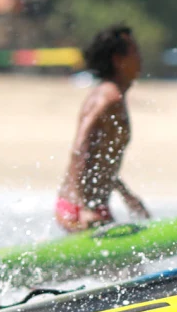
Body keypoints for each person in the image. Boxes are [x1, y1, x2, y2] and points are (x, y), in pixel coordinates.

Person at [56, 24, 150, 232]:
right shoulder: (107, 97)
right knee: (130, 264)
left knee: (130, 265)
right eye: (135, 52)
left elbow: (101, 159)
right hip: (79, 208)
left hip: (95, 205)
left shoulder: (114, 96)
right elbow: (80, 148)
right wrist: (85, 206)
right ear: (118, 60)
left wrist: (127, 195)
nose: (140, 58)